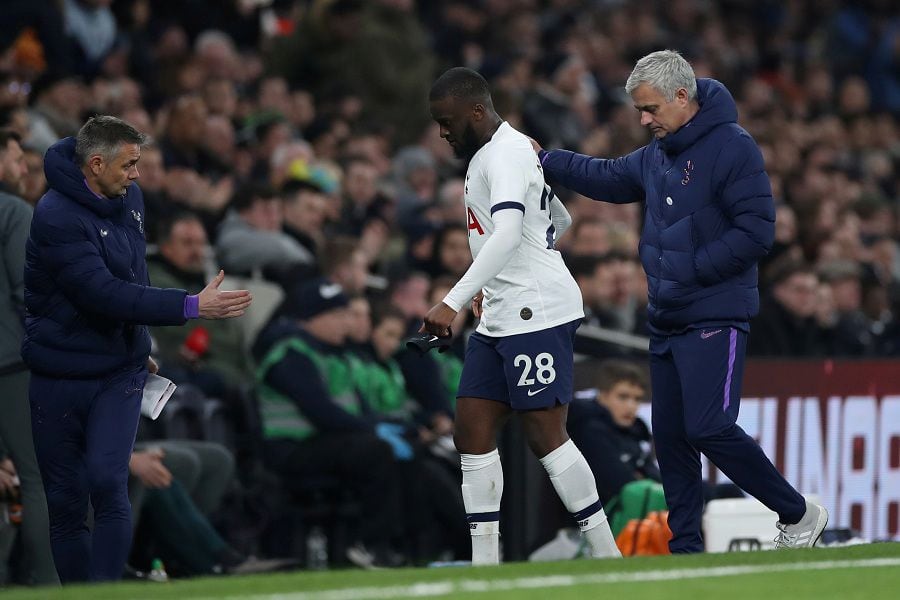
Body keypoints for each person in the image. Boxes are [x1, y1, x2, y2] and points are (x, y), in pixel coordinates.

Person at [535, 50, 827, 553]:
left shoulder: (734, 147)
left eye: (650, 110)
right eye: (638, 112)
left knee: (709, 425)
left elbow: (757, 233)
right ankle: (685, 550)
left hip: (716, 313)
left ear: (681, 96)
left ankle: (799, 513)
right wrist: (544, 160)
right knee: (670, 440)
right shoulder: (655, 154)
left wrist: (689, 270)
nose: (644, 121)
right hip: (667, 317)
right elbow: (605, 177)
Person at [22, 115, 252, 582]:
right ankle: (78, 595)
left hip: (117, 373)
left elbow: (133, 277)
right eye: (129, 165)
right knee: (65, 499)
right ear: (96, 163)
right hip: (58, 373)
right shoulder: (54, 215)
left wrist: (138, 340)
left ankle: (107, 594)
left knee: (108, 481)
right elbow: (99, 293)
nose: (137, 175)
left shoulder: (132, 199)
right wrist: (190, 305)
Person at [421, 67, 620, 565]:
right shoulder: (503, 150)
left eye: (447, 122)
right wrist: (492, 287)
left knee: (545, 436)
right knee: (470, 427)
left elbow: (509, 234)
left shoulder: (506, 154)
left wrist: (454, 299)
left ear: (476, 111)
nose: (442, 132)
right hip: (504, 312)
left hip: (536, 312)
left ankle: (609, 556)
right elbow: (560, 219)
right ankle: (485, 568)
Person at [0, 128, 58, 585]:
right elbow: (30, 294)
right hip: (12, 365)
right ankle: (49, 586)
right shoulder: (14, 211)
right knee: (40, 479)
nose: (24, 170)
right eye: (17, 159)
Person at [567, 360, 659, 506]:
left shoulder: (633, 434)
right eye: (623, 397)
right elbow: (622, 485)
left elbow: (657, 480)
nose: (631, 406)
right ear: (603, 395)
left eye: (637, 399)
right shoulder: (587, 428)